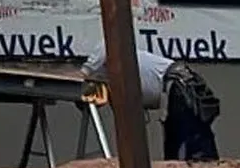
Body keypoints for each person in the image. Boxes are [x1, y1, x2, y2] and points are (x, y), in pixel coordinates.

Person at [82, 42, 221, 161]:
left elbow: (87, 70)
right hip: (179, 83)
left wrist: (85, 76)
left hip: (178, 84)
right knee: (183, 143)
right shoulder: (118, 80)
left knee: (189, 144)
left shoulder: (107, 50)